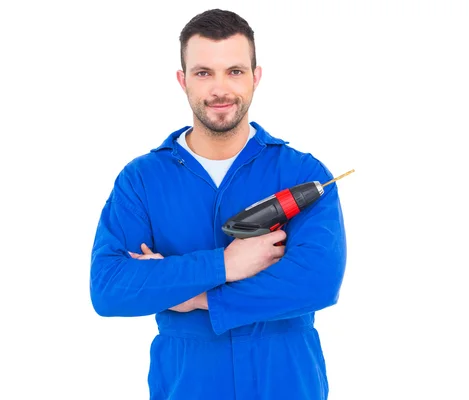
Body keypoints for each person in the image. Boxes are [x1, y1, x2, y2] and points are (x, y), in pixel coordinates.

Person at [90, 8, 347, 400]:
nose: (220, 89)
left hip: (288, 386)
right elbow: (109, 288)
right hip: (186, 387)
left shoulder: (301, 173)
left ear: (256, 77)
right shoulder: (141, 180)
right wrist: (225, 264)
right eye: (203, 72)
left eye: (235, 71)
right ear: (183, 80)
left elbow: (317, 282)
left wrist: (191, 295)